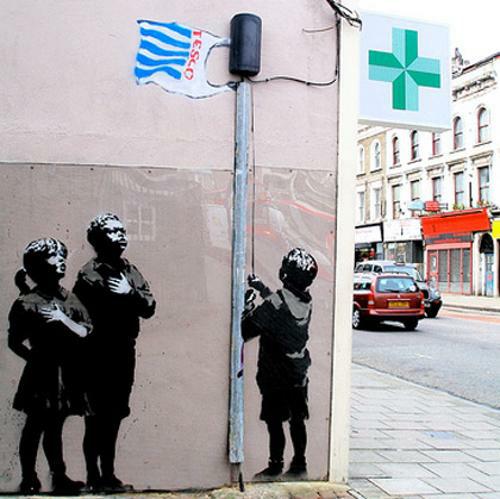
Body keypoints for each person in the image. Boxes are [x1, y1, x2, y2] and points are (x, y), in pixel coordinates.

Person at [73, 213, 156, 492]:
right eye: (113, 231)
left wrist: (128, 293)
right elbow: (81, 314)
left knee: (114, 415)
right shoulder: (89, 274)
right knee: (95, 417)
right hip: (96, 354)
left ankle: (108, 474)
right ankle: (93, 475)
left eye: (122, 230)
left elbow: (149, 306)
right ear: (98, 239)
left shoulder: (130, 272)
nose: (121, 236)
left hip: (123, 352)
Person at [7, 238, 92, 495]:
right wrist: (34, 360)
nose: (61, 261)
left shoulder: (70, 299)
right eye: (54, 256)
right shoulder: (27, 302)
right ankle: (29, 477)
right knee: (34, 428)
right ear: (38, 264)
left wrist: (63, 319)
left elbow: (85, 331)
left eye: (62, 256)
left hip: (64, 374)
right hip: (41, 375)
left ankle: (58, 475)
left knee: (54, 428)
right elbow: (14, 342)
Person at [242, 248, 318, 480]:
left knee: (275, 421)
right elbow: (283, 304)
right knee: (297, 420)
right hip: (298, 374)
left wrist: (247, 307)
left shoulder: (275, 305)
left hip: (275, 375)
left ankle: (275, 465)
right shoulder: (306, 302)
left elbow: (247, 330)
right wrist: (262, 288)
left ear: (286, 273)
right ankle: (299, 463)